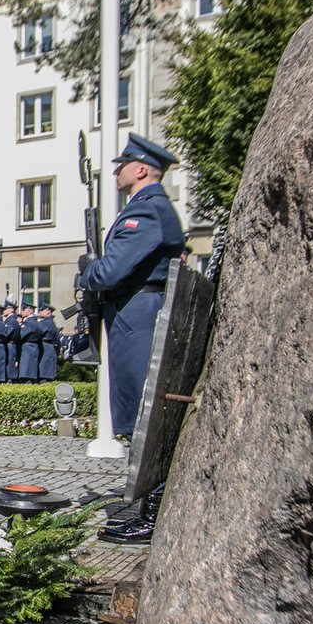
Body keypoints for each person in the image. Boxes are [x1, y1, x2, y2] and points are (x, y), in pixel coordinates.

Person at [79, 132, 186, 440]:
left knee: (145, 413)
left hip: (138, 317)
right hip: (135, 313)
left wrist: (89, 269)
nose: (116, 171)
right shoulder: (148, 206)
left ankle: (154, 486)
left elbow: (109, 272)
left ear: (140, 169)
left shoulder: (146, 209)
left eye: (122, 164)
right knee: (139, 412)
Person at [17, 301, 41, 383]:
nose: (22, 312)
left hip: (27, 349)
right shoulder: (36, 322)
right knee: (30, 372)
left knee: (26, 374)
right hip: (33, 348)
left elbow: (21, 335)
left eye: (24, 309)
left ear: (30, 311)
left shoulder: (29, 323)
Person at [38, 304, 60, 382]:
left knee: (42, 376)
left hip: (44, 349)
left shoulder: (44, 323)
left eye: (42, 310)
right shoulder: (53, 323)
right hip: (51, 349)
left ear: (48, 312)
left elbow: (37, 334)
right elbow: (57, 341)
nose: (39, 312)